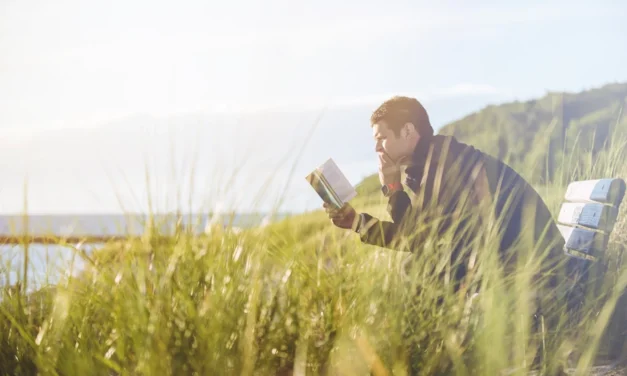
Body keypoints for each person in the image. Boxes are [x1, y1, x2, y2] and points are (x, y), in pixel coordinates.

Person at [324, 96, 579, 373]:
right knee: (422, 267)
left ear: (408, 131)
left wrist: (391, 190)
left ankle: (441, 364)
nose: (376, 147)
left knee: (421, 269)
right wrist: (358, 220)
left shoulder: (443, 163)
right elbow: (421, 234)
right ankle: (440, 362)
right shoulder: (435, 160)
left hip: (532, 264)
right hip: (512, 256)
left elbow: (416, 238)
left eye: (382, 137)